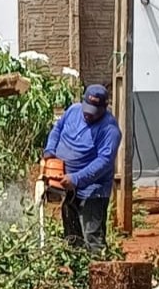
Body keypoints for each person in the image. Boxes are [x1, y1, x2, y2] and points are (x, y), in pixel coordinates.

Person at [43, 84, 122, 252]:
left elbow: (104, 161)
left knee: (92, 236)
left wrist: (77, 178)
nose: (88, 114)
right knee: (72, 235)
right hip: (68, 185)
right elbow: (57, 129)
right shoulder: (73, 110)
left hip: (92, 190)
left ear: (104, 108)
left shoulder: (110, 130)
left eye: (93, 111)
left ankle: (100, 271)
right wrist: (50, 151)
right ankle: (78, 272)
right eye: (86, 108)